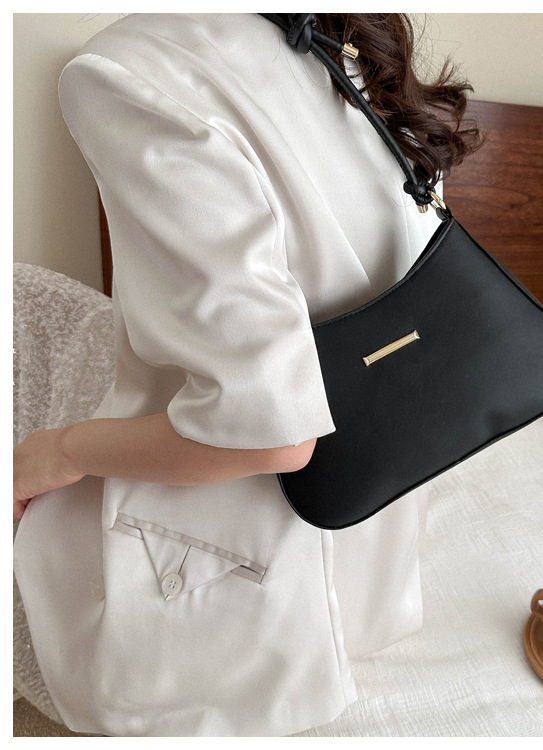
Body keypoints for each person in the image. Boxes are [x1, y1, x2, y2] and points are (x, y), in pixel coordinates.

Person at [13, 13, 481, 736]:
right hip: (376, 535)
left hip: (237, 582)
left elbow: (269, 435)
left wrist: (57, 451)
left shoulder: (126, 73)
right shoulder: (339, 44)